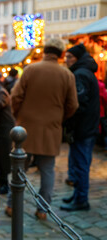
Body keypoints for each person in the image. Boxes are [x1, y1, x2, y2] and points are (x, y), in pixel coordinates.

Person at [9, 38, 79, 220]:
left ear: (45, 51)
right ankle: (42, 210)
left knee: (19, 168)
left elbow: (15, 97)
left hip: (25, 128)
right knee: (48, 171)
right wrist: (59, 118)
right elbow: (73, 105)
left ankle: (11, 205)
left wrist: (18, 116)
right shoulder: (67, 75)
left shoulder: (31, 69)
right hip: (51, 129)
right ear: (61, 54)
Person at [61, 43, 100, 211]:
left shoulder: (80, 74)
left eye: (69, 57)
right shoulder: (84, 72)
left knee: (81, 165)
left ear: (77, 58)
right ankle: (78, 195)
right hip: (86, 127)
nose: (67, 60)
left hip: (83, 129)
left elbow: (78, 104)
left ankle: (81, 200)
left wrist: (69, 123)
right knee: (79, 163)